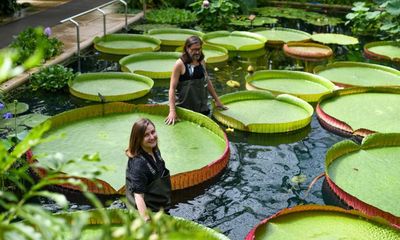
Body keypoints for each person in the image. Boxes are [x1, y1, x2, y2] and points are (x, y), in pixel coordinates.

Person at [165, 35, 226, 125]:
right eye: (194, 50)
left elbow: (207, 81)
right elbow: (172, 89)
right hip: (185, 109)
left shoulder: (201, 61)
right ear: (187, 48)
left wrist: (217, 100)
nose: (197, 52)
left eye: (199, 49)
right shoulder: (180, 64)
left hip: (202, 108)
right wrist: (172, 111)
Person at [125, 118, 171, 221]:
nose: (152, 137)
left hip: (160, 205)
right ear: (138, 139)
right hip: (147, 211)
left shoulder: (154, 149)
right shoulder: (138, 164)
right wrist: (147, 222)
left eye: (153, 132)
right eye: (146, 135)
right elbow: (138, 196)